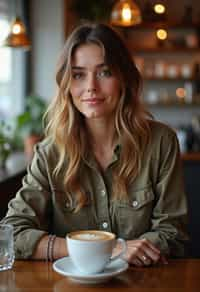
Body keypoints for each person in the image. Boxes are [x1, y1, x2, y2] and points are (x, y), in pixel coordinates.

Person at [1, 23, 188, 267]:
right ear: (67, 84)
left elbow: (173, 234)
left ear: (124, 78)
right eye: (78, 74)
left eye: (104, 72)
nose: (91, 87)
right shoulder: (49, 154)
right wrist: (107, 249)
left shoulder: (161, 143)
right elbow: (12, 233)